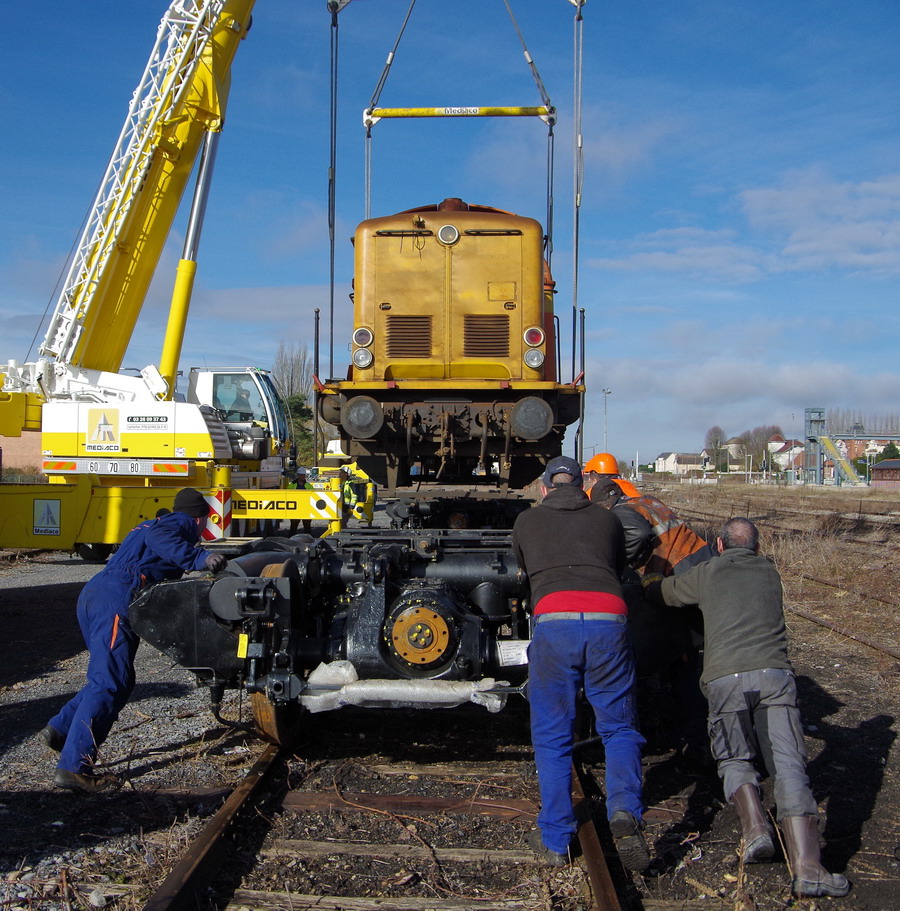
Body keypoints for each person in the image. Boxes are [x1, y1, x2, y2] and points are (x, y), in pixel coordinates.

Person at [644, 518, 849, 898]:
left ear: (720, 545)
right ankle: (809, 868)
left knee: (734, 757)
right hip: (774, 676)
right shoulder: (769, 573)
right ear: (757, 547)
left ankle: (756, 831)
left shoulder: (708, 572)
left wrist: (650, 580)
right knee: (789, 764)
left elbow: (665, 594)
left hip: (725, 679)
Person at [39, 488, 228, 793]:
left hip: (97, 593)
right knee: (110, 682)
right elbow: (160, 539)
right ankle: (74, 769)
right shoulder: (179, 523)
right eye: (204, 522)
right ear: (199, 518)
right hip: (117, 597)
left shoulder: (150, 524)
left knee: (112, 678)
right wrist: (200, 557)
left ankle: (60, 729)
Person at [513, 456, 650, 871]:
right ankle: (624, 810)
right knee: (619, 726)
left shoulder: (527, 520)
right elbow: (618, 565)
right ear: (583, 485)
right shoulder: (606, 519)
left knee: (553, 735)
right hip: (609, 620)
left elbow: (524, 569)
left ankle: (556, 839)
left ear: (544, 488)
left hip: (555, 622)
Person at [589, 479, 716, 577]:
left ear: (604, 506)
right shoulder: (647, 500)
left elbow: (639, 533)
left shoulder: (620, 510)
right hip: (703, 552)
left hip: (679, 566)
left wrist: (622, 559)